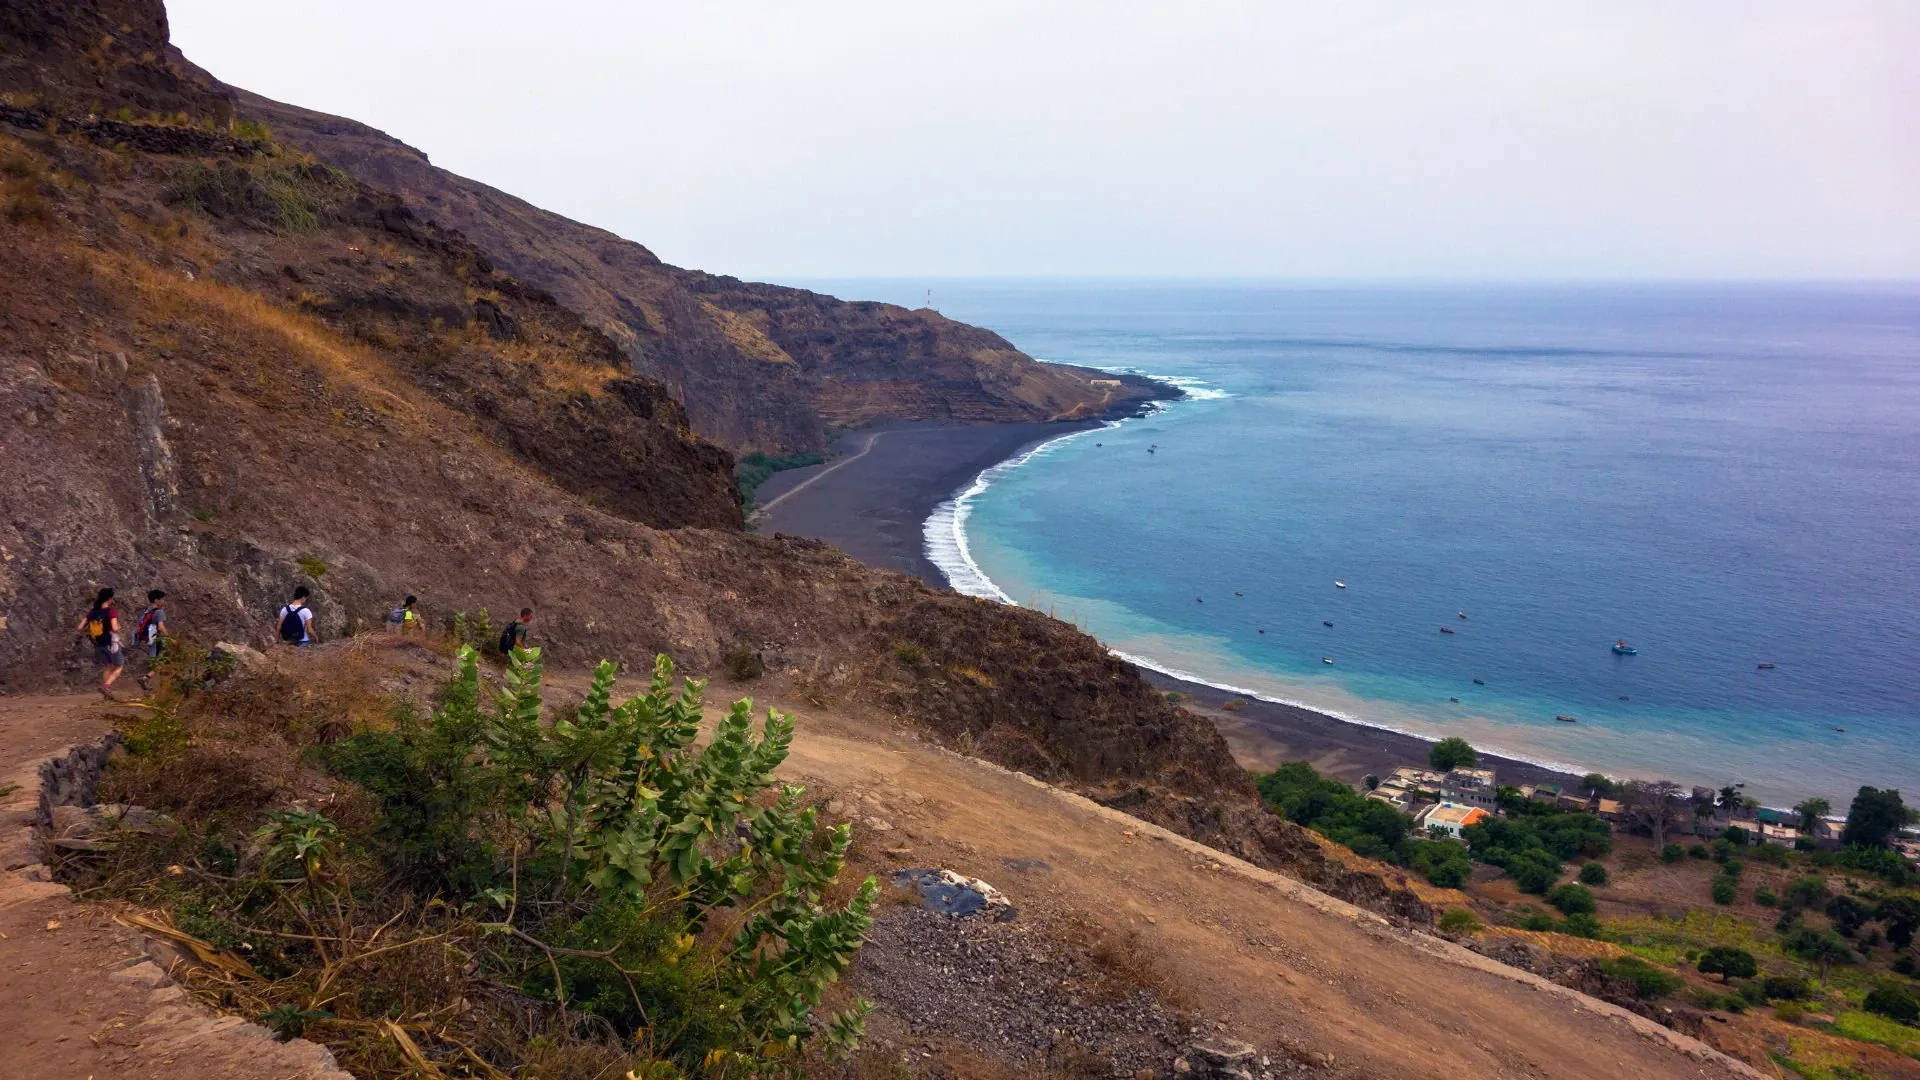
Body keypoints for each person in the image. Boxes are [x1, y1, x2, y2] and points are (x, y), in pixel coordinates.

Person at [75, 587, 125, 699]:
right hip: (111, 644)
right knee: (119, 666)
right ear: (109, 599)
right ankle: (106, 686)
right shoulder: (111, 611)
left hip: (98, 644)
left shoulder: (92, 612)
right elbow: (115, 628)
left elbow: (79, 627)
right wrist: (118, 627)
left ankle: (106, 693)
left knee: (108, 666)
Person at [132, 589, 168, 691]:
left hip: (150, 641)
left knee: (158, 662)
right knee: (163, 661)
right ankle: (146, 678)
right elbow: (161, 627)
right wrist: (170, 638)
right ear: (156, 600)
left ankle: (150, 686)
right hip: (158, 641)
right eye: (162, 599)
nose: (163, 601)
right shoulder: (159, 612)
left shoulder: (147, 611)